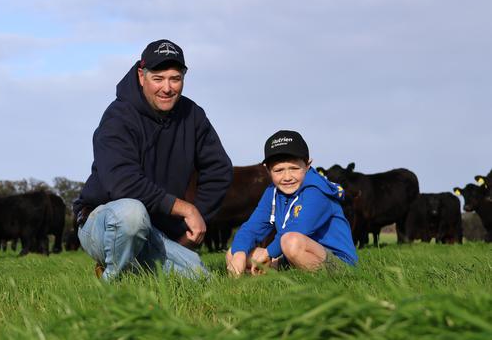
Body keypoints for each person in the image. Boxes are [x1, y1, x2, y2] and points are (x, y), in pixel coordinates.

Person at [73, 39, 233, 280]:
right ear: (141, 75)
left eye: (175, 78)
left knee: (200, 278)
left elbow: (219, 170)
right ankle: (113, 285)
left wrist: (194, 220)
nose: (167, 88)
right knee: (131, 213)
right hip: (103, 221)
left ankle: (133, 265)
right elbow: (122, 183)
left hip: (155, 231)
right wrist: (184, 208)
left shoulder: (193, 116)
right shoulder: (118, 117)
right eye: (158, 78)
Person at [226, 130, 357, 276]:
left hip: (336, 262)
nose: (287, 177)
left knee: (291, 241)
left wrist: (268, 253)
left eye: (294, 168)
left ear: (308, 165)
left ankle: (334, 279)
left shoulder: (317, 190)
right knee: (234, 252)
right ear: (268, 171)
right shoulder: (273, 192)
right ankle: (271, 275)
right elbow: (252, 227)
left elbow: (299, 228)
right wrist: (239, 254)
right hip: (290, 256)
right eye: (278, 170)